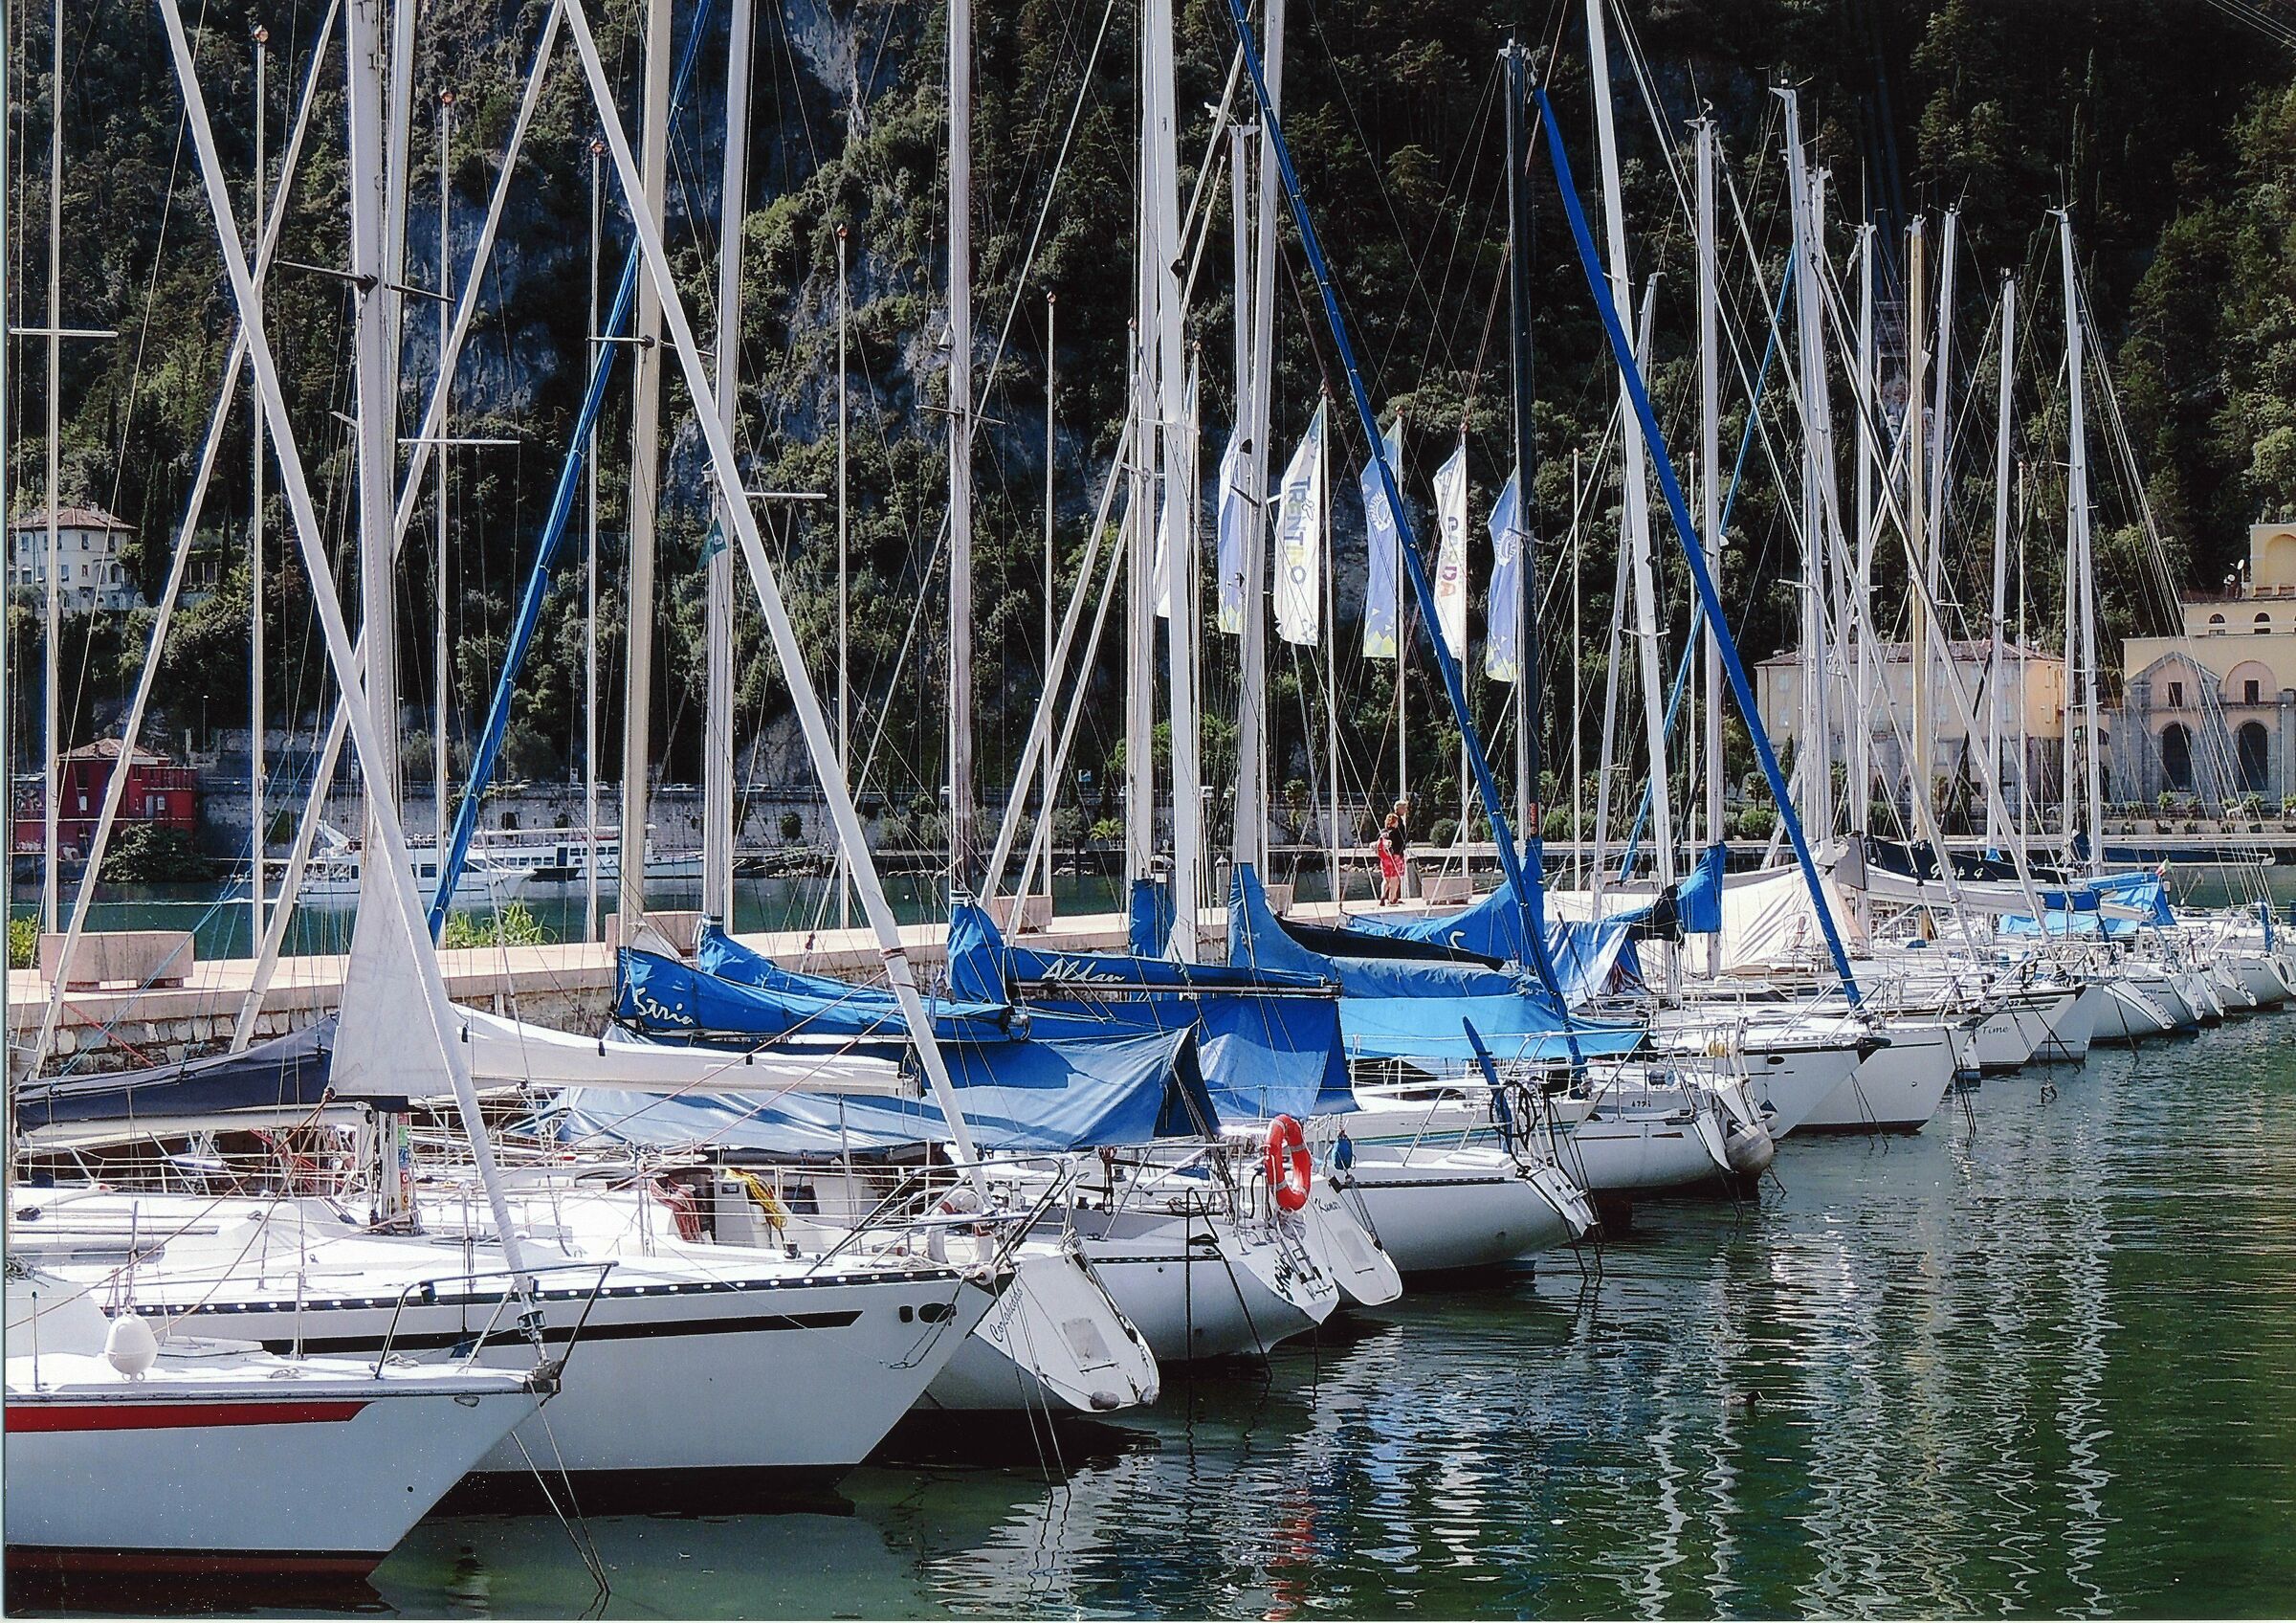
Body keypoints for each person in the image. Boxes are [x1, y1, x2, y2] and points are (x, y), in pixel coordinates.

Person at [1378, 807, 1409, 905]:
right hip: (1395, 857)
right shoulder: (1397, 832)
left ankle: (1383, 896)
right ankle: (1392, 899)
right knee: (1395, 880)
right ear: (1394, 822)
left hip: (1384, 859)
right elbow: (1401, 844)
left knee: (1386, 880)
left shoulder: (1383, 832)